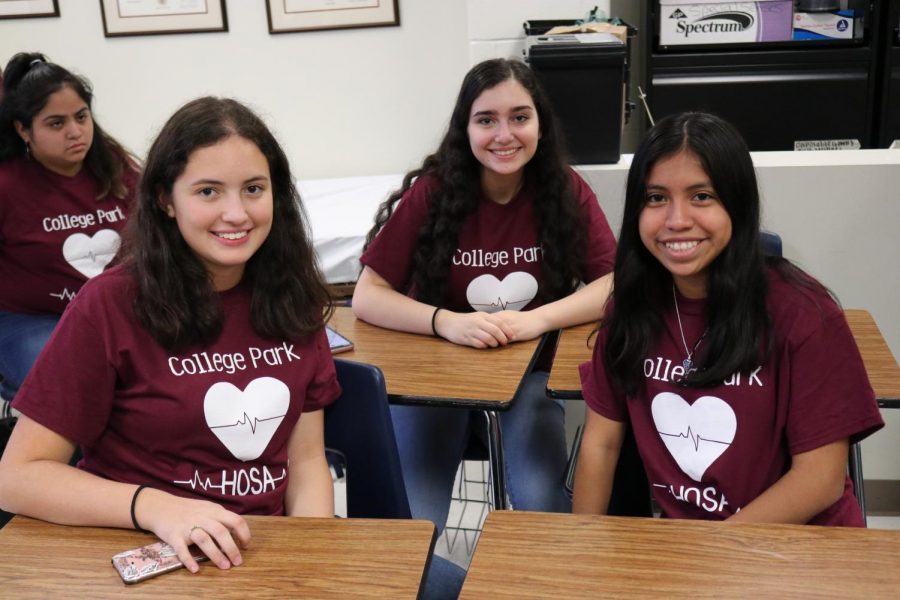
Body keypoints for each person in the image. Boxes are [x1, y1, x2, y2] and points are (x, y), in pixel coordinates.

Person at [0, 97, 339, 570]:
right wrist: (157, 508)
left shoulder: (292, 296)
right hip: (144, 552)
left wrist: (310, 562)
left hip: (261, 554)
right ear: (165, 199)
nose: (237, 213)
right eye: (208, 192)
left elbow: (305, 465)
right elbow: (17, 478)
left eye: (254, 189)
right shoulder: (108, 304)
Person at [353, 58, 618, 595]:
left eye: (519, 117)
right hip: (436, 378)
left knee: (545, 506)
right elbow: (366, 295)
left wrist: (536, 322)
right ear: (465, 127)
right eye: (486, 120)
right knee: (408, 532)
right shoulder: (433, 192)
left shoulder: (564, 188)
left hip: (528, 374)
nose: (504, 135)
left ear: (540, 123)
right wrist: (443, 322)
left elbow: (615, 283)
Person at [573, 112, 884, 526]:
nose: (676, 220)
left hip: (803, 547)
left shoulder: (803, 313)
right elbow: (602, 444)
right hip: (690, 553)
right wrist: (580, 549)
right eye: (656, 197)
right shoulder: (631, 308)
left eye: (702, 196)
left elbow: (821, 479)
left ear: (736, 204)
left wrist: (712, 559)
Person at [0, 53, 139, 406]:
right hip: (33, 320)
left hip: (120, 310)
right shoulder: (7, 184)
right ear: (22, 129)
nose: (75, 132)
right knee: (69, 385)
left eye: (81, 117)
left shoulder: (113, 165)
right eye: (56, 123)